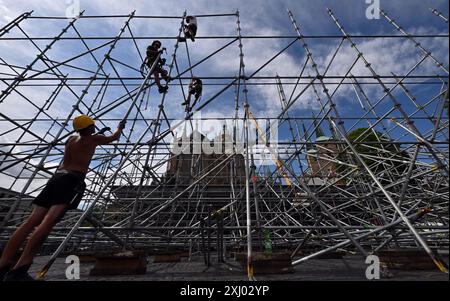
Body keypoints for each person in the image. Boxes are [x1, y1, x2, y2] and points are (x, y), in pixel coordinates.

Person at [0, 115, 126, 281]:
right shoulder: (94, 139)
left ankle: (3, 264)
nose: (94, 127)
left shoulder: (71, 139)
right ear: (89, 128)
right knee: (48, 222)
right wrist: (120, 127)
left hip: (56, 177)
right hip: (71, 179)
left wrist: (92, 134)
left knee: (30, 221)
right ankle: (20, 267)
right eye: (92, 125)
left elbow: (83, 139)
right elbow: (113, 138)